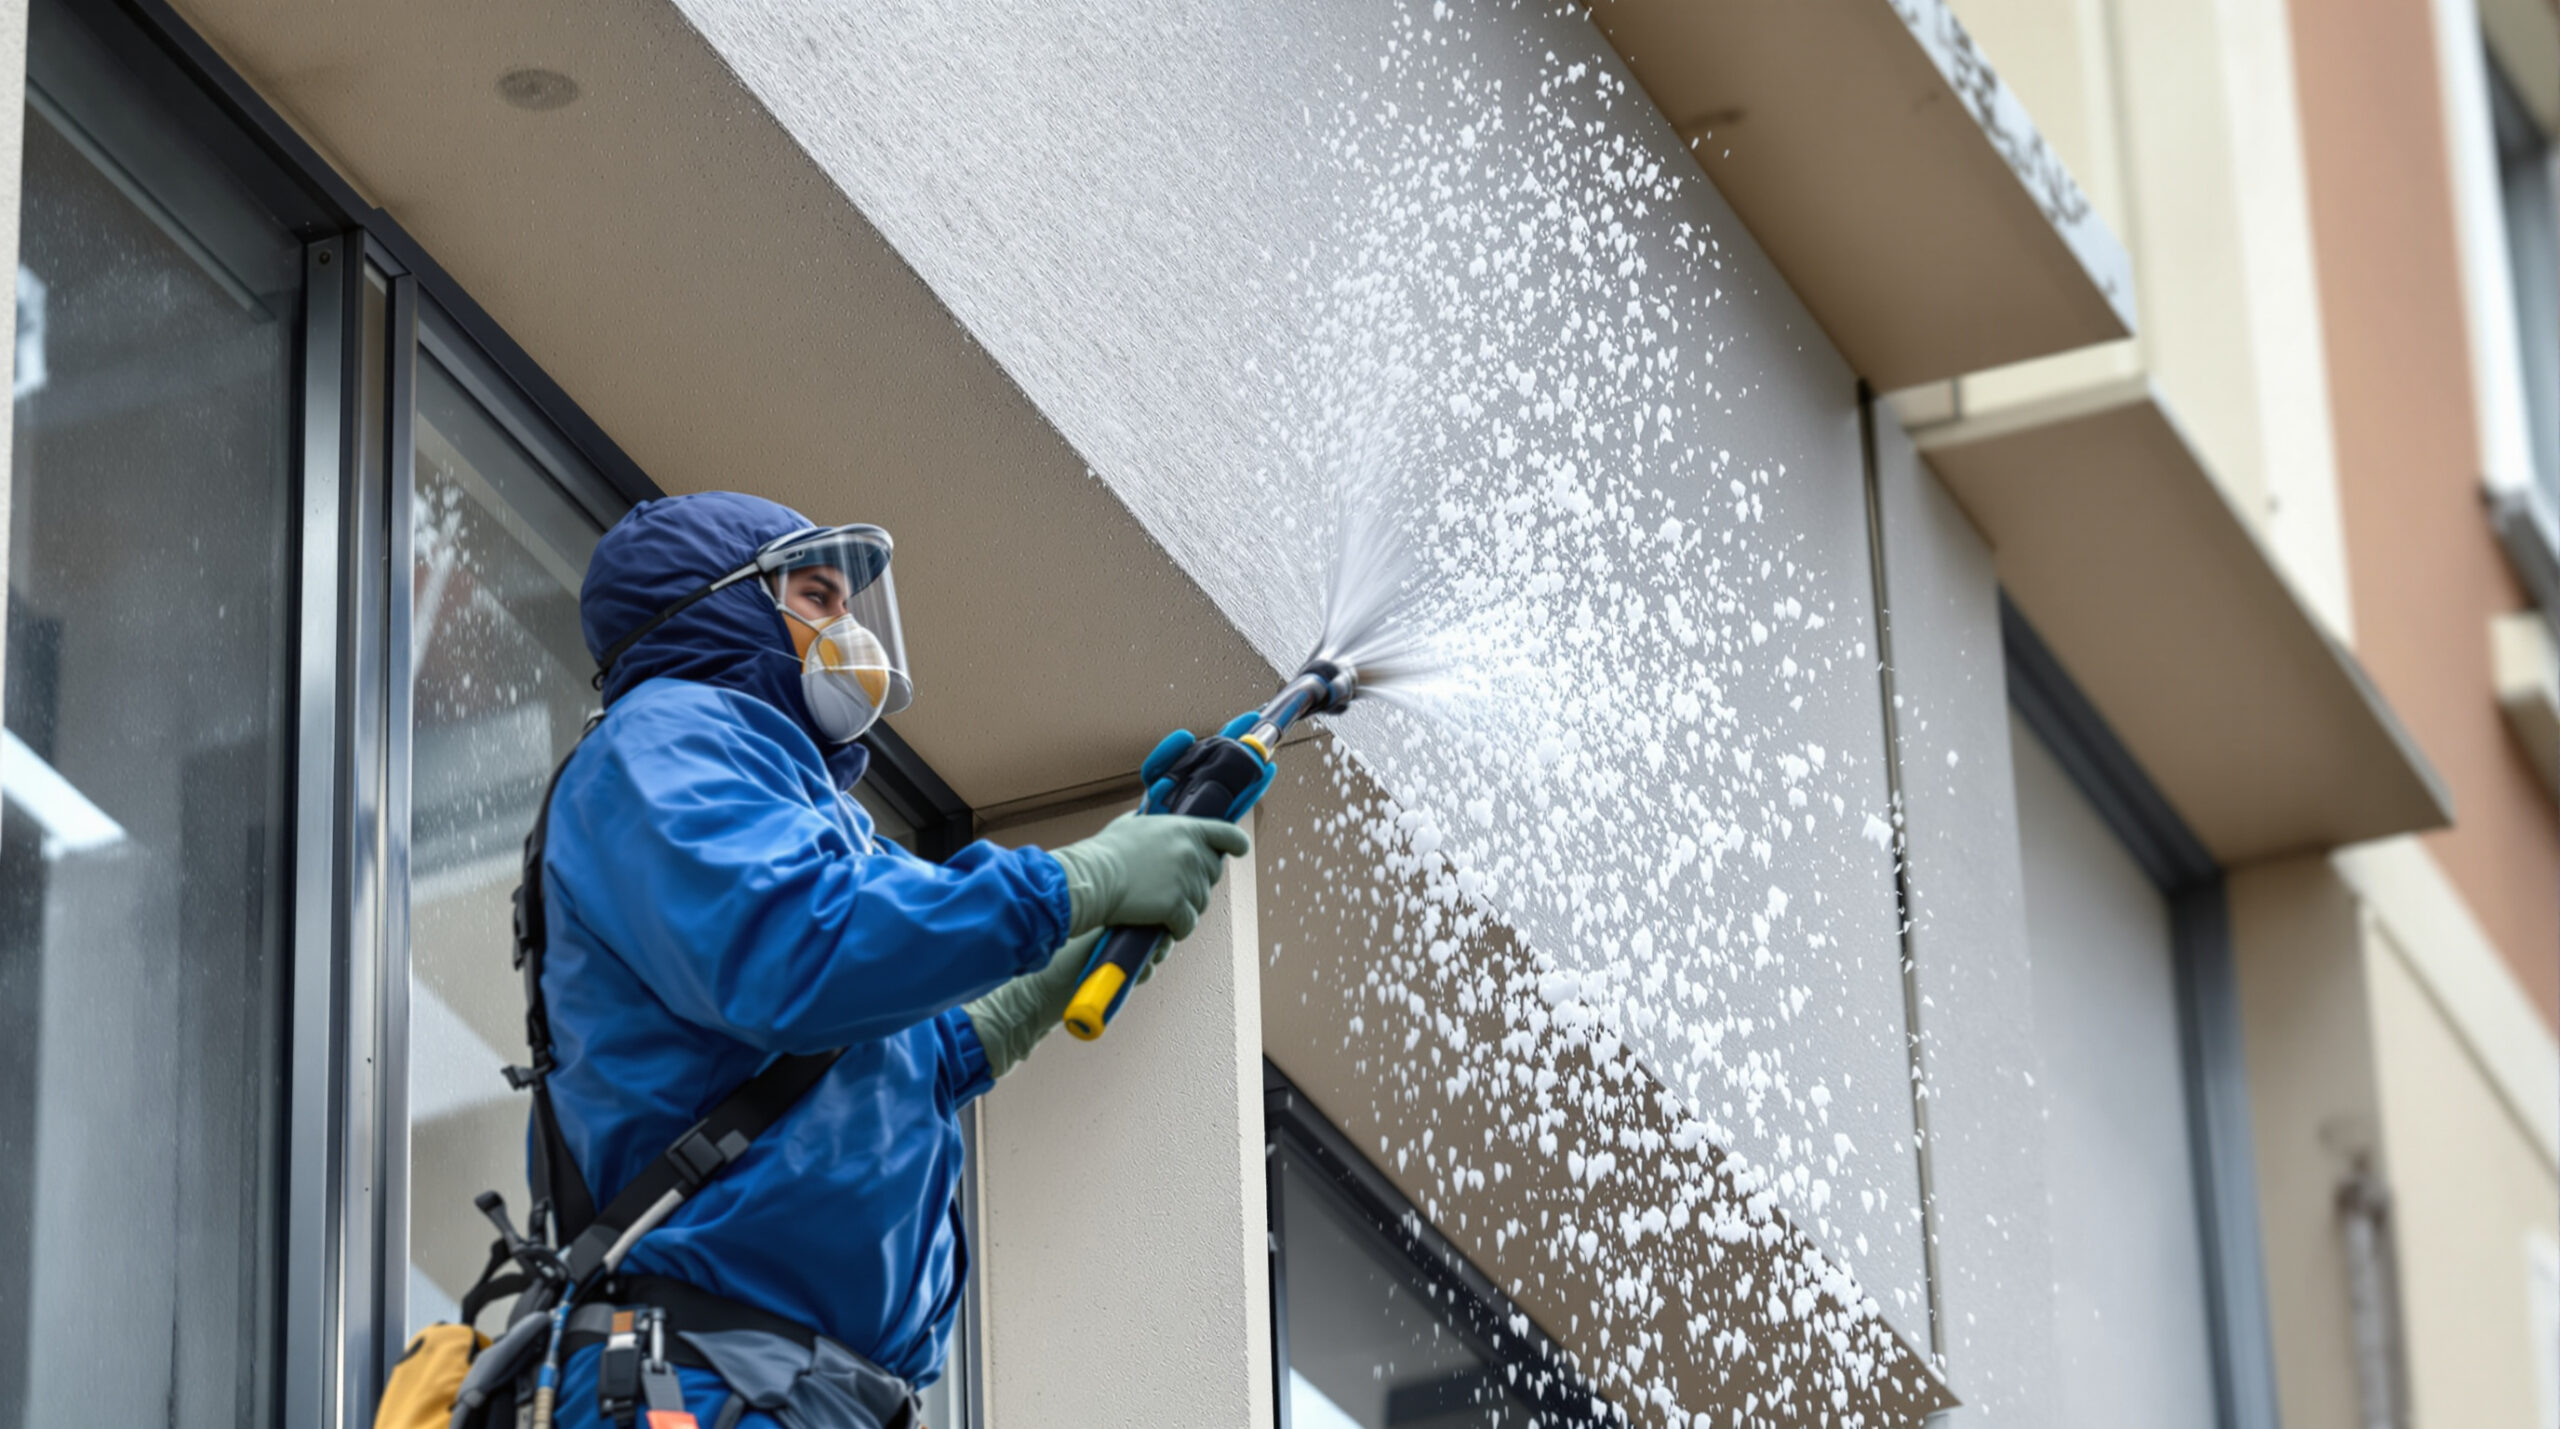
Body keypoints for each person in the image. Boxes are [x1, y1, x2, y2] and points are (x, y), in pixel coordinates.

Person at [536, 491, 1248, 1428]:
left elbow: (912, 1053)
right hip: (702, 1382)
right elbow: (795, 947)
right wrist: (1076, 884)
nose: (848, 628)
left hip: (793, 1388)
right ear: (724, 604)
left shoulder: (797, 801)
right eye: (819, 596)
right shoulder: (666, 741)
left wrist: (1087, 919)